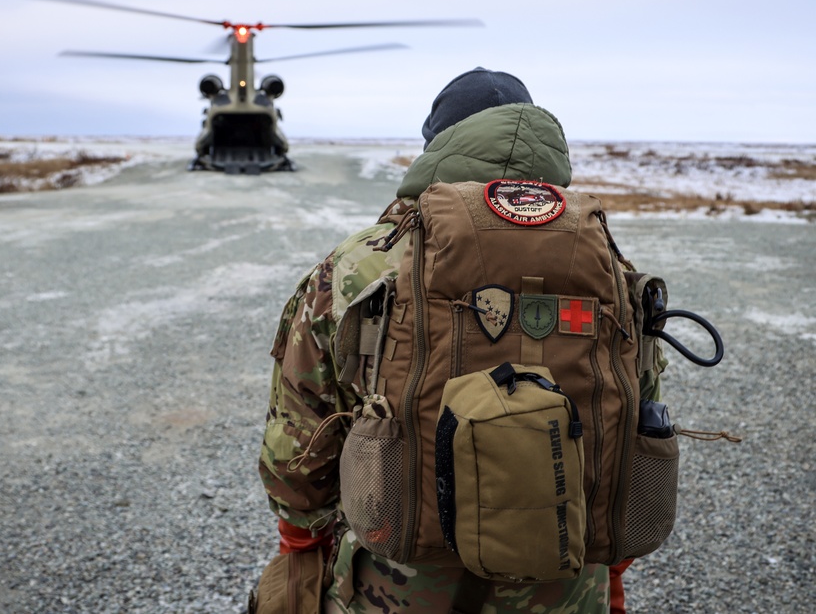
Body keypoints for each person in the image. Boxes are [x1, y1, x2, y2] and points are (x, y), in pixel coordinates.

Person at [257, 68, 615, 613]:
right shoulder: (603, 258)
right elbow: (632, 414)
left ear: (438, 144)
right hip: (566, 576)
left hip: (398, 577)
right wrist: (609, 574)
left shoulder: (363, 261)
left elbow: (298, 437)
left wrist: (301, 536)